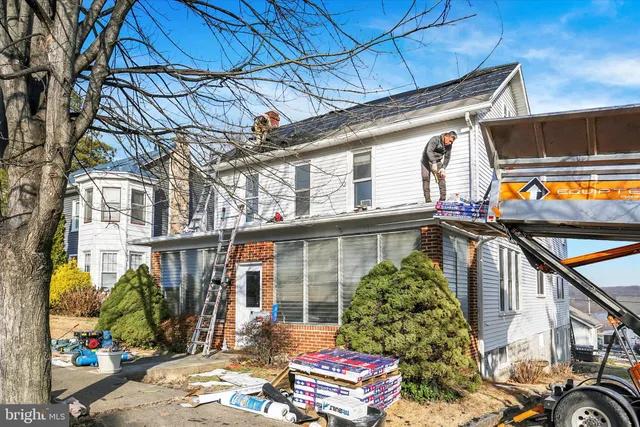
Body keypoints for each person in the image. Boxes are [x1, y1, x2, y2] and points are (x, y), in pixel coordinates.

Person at [421, 131, 457, 202]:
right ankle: (427, 200)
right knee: (426, 178)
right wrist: (433, 163)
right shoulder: (435, 139)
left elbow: (447, 156)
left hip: (437, 161)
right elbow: (429, 151)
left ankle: (442, 199)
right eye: (449, 141)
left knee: (441, 177)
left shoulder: (449, 145)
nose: (450, 143)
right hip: (426, 160)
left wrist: (443, 168)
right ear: (446, 136)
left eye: (451, 142)